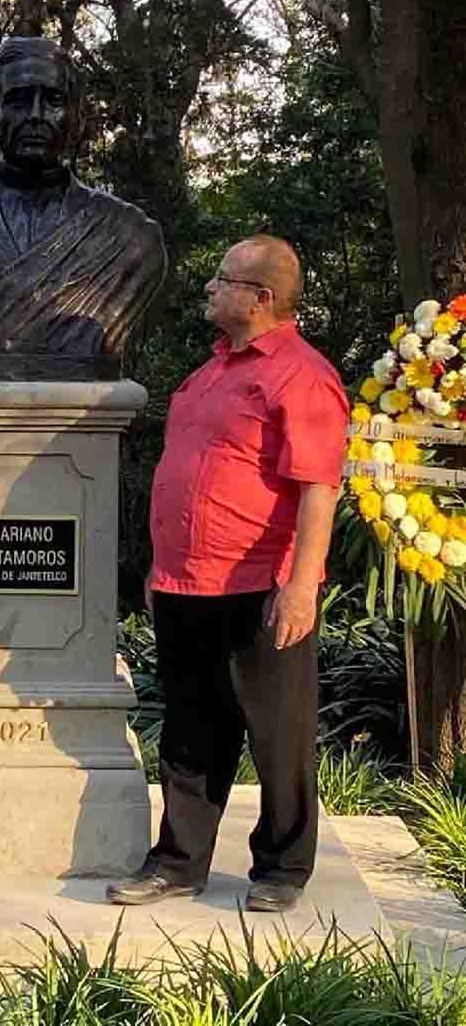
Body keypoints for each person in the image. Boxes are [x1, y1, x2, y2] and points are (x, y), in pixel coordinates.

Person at [107, 235, 348, 913]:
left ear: (261, 298)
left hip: (260, 591)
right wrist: (161, 571)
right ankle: (179, 864)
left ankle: (281, 869)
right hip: (188, 587)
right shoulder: (211, 371)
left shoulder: (301, 376)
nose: (210, 288)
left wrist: (301, 585)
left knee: (278, 735)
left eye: (223, 279)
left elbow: (317, 488)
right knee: (190, 731)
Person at [0, 35, 166, 381]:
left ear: (77, 118)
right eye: (19, 101)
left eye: (53, 100)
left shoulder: (132, 240)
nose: (36, 115)